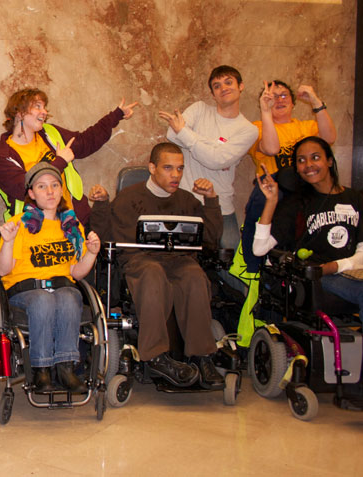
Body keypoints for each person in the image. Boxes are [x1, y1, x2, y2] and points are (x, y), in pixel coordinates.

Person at [90, 142, 224, 389]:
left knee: (195, 277)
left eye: (180, 169)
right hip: (141, 261)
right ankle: (156, 356)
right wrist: (101, 205)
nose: (176, 175)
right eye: (168, 168)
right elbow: (105, 235)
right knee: (153, 274)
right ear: (152, 168)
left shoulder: (187, 201)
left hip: (180, 261)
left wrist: (212, 201)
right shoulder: (129, 198)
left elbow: (211, 239)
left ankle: (203, 356)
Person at [0, 163, 100, 393]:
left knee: (71, 296)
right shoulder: (19, 223)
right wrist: (9, 242)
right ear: (32, 194)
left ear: (62, 190)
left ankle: (65, 368)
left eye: (54, 185)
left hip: (62, 287)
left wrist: (91, 253)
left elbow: (76, 272)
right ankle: (41, 370)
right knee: (44, 299)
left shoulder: (71, 226)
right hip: (25, 290)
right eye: (42, 187)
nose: (50, 191)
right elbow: (2, 270)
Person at [0, 87, 136, 225]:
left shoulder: (50, 133)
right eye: (37, 106)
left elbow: (86, 142)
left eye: (44, 107)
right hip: (36, 232)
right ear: (19, 113)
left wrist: (116, 115)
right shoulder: (2, 155)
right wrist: (60, 162)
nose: (44, 112)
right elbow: (22, 189)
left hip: (75, 221)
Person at [253, 136, 363, 317]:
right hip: (314, 276)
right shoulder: (296, 203)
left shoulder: (355, 199)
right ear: (296, 168)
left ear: (329, 161)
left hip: (348, 271)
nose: (309, 165)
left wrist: (335, 266)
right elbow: (259, 249)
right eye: (301, 160)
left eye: (315, 157)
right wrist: (271, 201)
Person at [240, 81, 336, 273]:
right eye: (272, 97)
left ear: (293, 102)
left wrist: (315, 100)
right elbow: (271, 148)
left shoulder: (307, 127)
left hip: (305, 189)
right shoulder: (255, 128)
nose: (279, 100)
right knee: (269, 188)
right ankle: (252, 266)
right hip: (272, 192)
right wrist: (266, 112)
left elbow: (329, 139)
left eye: (284, 95)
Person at [159, 65, 258, 250]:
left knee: (228, 257)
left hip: (221, 205)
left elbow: (216, 161)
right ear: (213, 94)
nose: (224, 88)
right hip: (185, 200)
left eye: (229, 82)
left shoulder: (249, 130)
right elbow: (172, 135)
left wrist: (186, 133)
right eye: (217, 86)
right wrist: (214, 147)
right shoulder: (199, 109)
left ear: (241, 86)